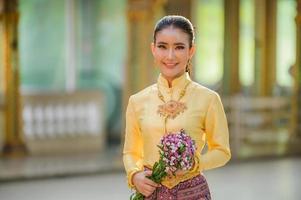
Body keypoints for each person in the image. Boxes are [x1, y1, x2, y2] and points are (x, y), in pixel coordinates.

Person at [123, 15, 231, 200]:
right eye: (162, 46)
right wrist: (135, 175)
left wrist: (194, 163)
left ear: (191, 51)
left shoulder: (209, 99)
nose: (170, 56)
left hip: (193, 195)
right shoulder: (137, 101)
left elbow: (222, 151)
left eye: (179, 47)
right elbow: (131, 152)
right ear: (153, 49)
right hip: (150, 193)